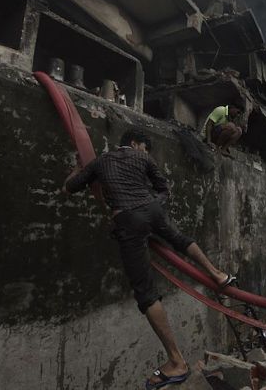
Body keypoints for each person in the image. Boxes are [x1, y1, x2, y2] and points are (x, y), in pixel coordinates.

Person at [63, 129, 236, 389]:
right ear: (134, 143)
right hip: (153, 210)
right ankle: (218, 274)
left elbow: (69, 188)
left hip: (127, 218)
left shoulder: (100, 162)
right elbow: (163, 188)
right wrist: (151, 204)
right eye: (144, 146)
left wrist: (77, 170)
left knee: (145, 292)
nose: (145, 151)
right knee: (179, 239)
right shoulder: (143, 159)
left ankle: (176, 361)